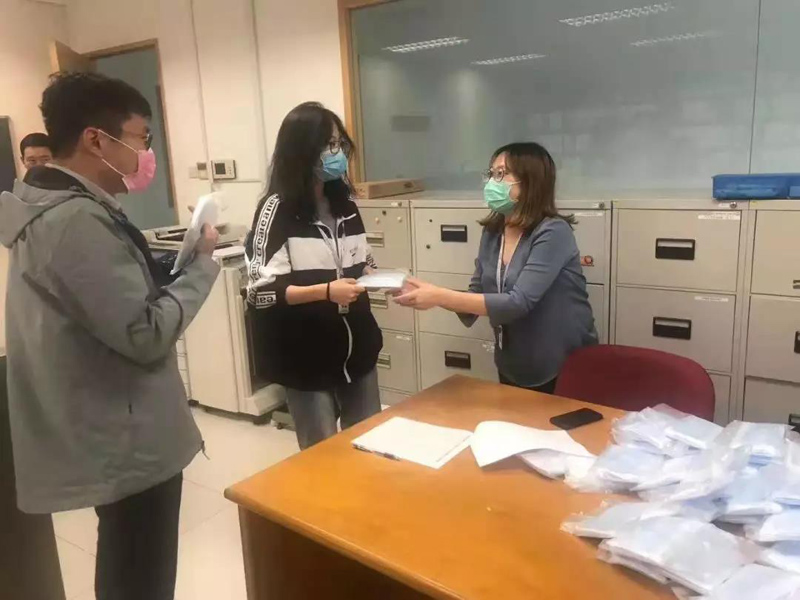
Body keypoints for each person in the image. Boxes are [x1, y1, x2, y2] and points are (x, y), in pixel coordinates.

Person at [0, 72, 220, 600]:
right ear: (96, 140)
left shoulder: (56, 205)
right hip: (128, 443)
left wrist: (168, 267)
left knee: (129, 565)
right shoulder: (74, 220)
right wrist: (202, 268)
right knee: (139, 574)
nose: (147, 153)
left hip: (111, 424)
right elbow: (145, 332)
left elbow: (108, 297)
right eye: (142, 137)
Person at [395, 142, 597, 393]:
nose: (492, 182)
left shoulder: (553, 232)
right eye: (490, 174)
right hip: (513, 361)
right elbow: (475, 296)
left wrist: (438, 296)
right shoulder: (493, 233)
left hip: (561, 365)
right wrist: (423, 291)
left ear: (530, 182)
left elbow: (518, 302)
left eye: (501, 174)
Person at [245, 101, 382, 450]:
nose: (338, 153)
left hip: (358, 348)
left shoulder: (345, 204)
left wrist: (383, 279)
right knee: (322, 454)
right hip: (306, 356)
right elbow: (260, 291)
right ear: (303, 149)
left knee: (367, 445)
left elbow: (363, 261)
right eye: (329, 144)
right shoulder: (276, 209)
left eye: (340, 144)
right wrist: (326, 292)